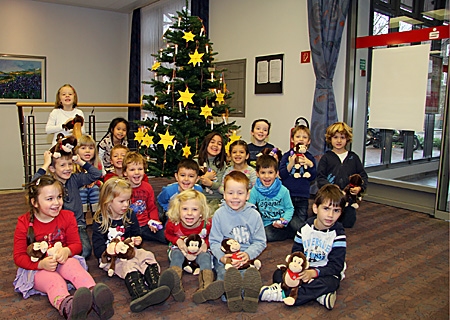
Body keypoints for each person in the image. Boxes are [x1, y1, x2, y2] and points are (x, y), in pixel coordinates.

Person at [13, 175, 114, 320]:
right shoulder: (24, 223)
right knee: (53, 281)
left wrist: (67, 251)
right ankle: (68, 307)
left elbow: (76, 245)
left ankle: (96, 296)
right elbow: (19, 257)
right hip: (36, 269)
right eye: (49, 199)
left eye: (59, 197)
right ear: (34, 202)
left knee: (73, 266)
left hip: (61, 260)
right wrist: (40, 263)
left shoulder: (67, 216)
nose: (57, 203)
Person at [259, 184, 347, 310]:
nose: (330, 215)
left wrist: (314, 273)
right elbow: (296, 253)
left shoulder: (338, 235)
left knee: (332, 283)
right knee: (278, 274)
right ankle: (319, 297)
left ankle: (285, 294)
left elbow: (336, 266)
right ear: (316, 208)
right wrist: (296, 270)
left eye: (336, 210)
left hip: (324, 273)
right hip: (303, 272)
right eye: (326, 208)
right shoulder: (304, 229)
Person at [91, 177, 171, 313]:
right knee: (128, 265)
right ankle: (140, 293)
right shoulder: (100, 220)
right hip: (111, 257)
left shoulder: (129, 214)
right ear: (108, 202)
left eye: (128, 200)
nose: (126, 205)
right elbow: (98, 250)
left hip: (129, 250)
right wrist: (112, 249)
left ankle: (156, 285)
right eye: (121, 201)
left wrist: (137, 239)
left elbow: (136, 233)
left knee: (147, 255)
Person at [209, 171, 267, 313]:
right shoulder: (219, 214)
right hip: (226, 258)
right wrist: (222, 257)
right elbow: (214, 241)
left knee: (249, 275)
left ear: (247, 195)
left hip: (246, 257)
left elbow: (260, 241)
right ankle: (230, 292)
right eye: (230, 193)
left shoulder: (254, 215)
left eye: (240, 193)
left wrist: (247, 254)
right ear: (224, 194)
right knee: (224, 273)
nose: (235, 197)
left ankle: (245, 293)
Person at [158, 189, 224, 304]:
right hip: (180, 249)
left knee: (205, 258)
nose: (189, 213)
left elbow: (213, 236)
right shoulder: (174, 222)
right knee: (177, 256)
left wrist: (206, 244)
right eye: (184, 209)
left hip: (199, 250)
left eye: (194, 209)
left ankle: (205, 287)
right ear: (178, 210)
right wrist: (177, 240)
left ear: (202, 212)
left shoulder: (206, 224)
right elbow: (168, 234)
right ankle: (175, 284)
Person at [33, 149, 102, 259]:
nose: (68, 168)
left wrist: (80, 161)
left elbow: (97, 174)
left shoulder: (75, 178)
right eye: (62, 165)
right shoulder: (50, 183)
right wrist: (46, 164)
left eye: (70, 164)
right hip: (56, 225)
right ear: (52, 168)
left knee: (85, 251)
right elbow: (34, 183)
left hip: (77, 225)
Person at [316, 122, 368, 228]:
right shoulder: (326, 158)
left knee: (348, 223)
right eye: (335, 137)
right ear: (330, 139)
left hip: (348, 199)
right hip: (330, 200)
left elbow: (363, 176)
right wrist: (330, 188)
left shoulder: (353, 157)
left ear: (347, 139)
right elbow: (320, 177)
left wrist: (359, 188)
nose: (339, 141)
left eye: (342, 137)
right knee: (326, 221)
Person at [248, 154, 302, 242]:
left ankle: (297, 232)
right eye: (263, 172)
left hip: (286, 219)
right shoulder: (255, 191)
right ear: (257, 173)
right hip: (269, 223)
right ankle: (289, 234)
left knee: (298, 225)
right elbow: (250, 209)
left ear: (276, 173)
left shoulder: (283, 190)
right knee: (267, 235)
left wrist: (285, 220)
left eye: (270, 172)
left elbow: (289, 208)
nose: (266, 176)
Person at [123, 151, 165, 243]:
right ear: (125, 173)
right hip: (128, 227)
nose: (137, 172)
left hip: (145, 225)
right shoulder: (121, 189)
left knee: (165, 237)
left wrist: (154, 221)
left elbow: (152, 207)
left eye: (140, 169)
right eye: (132, 170)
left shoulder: (147, 187)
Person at [279, 125, 317, 226]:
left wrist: (310, 164)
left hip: (303, 195)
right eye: (298, 136)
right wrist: (291, 163)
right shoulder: (286, 155)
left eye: (304, 137)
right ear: (292, 139)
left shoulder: (310, 157)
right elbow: (282, 174)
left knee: (300, 221)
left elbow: (313, 177)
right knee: (286, 217)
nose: (301, 139)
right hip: (287, 194)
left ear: (308, 141)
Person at [73, 134, 106, 224]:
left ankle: (96, 218)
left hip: (94, 187)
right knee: (82, 191)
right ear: (77, 150)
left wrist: (95, 182)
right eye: (83, 148)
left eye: (91, 148)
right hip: (79, 189)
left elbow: (101, 177)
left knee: (94, 190)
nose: (87, 151)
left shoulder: (97, 162)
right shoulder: (74, 164)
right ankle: (81, 219)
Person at [195, 132, 227, 202]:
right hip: (198, 199)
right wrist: (205, 178)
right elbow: (192, 182)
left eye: (219, 144)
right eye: (212, 142)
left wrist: (210, 184)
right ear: (206, 144)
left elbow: (221, 184)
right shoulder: (196, 162)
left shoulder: (222, 164)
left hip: (216, 199)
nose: (215, 145)